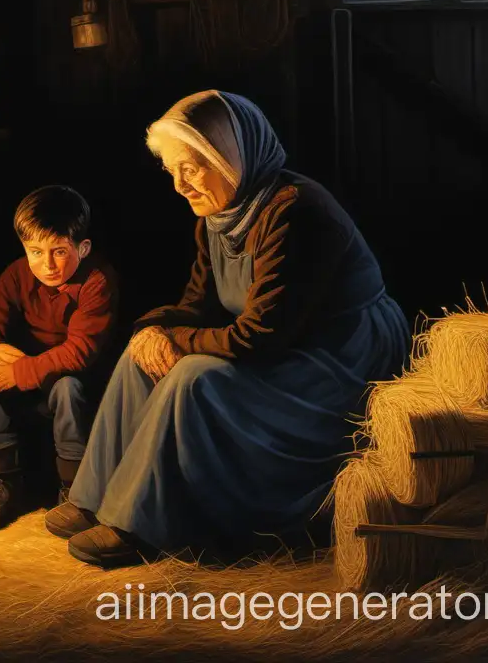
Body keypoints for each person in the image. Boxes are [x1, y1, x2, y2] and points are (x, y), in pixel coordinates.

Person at [44, 90, 409, 567]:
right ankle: (95, 497)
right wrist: (153, 330)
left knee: (191, 377)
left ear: (231, 157)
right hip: (280, 346)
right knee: (143, 355)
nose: (180, 186)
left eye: (191, 169)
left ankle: (137, 522)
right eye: (171, 171)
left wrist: (176, 341)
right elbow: (197, 305)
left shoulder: (294, 211)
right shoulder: (219, 215)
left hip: (335, 360)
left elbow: (260, 335)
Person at [0, 185, 119, 528]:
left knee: (68, 387)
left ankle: (78, 490)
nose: (46, 264)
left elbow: (80, 352)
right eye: (35, 251)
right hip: (29, 382)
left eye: (59, 251)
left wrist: (18, 372)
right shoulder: (17, 274)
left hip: (77, 385)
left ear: (83, 247)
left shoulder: (96, 281)